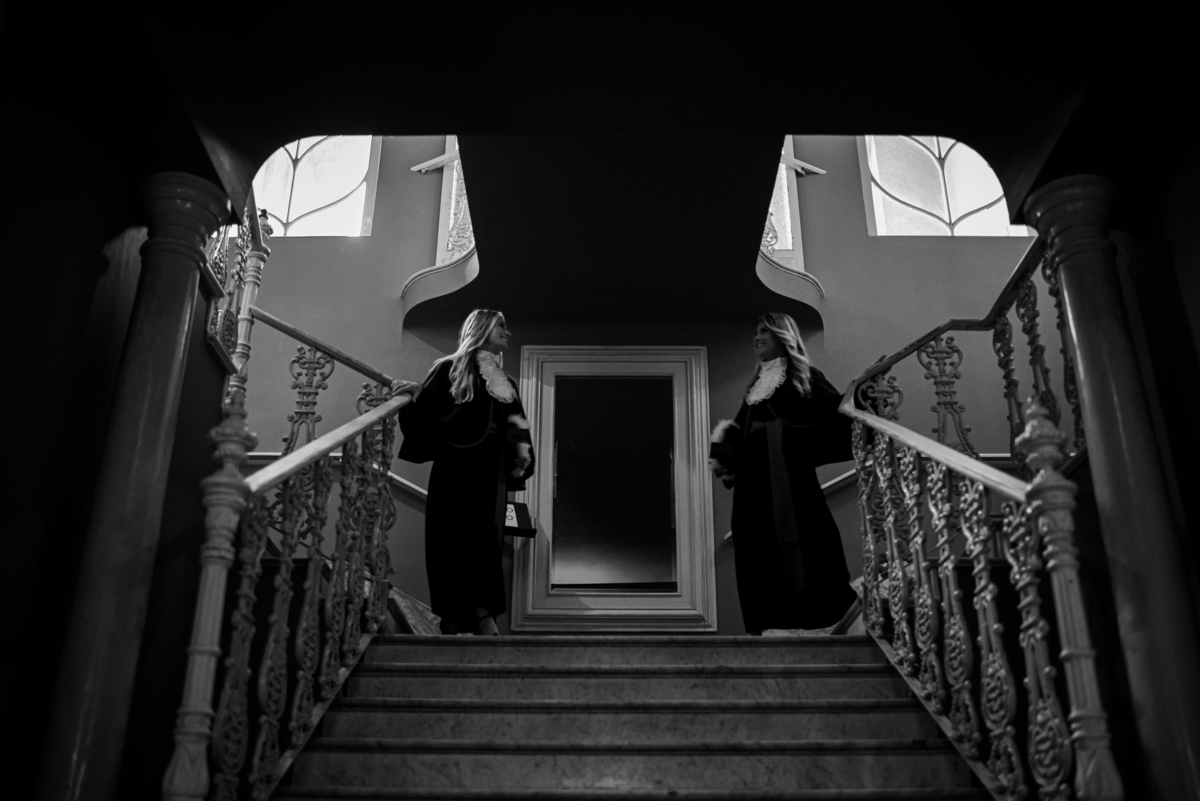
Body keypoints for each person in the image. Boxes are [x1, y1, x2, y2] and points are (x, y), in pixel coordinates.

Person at [709, 312, 858, 635]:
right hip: (753, 480)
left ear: (783, 336)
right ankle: (767, 618)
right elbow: (738, 430)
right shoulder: (756, 386)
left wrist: (863, 397)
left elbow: (834, 412)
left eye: (765, 331)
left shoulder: (806, 377)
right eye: (756, 332)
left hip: (788, 475)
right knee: (752, 539)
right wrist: (721, 455)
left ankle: (811, 614)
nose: (757, 337)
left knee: (804, 534)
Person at [395, 309, 534, 635]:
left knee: (484, 540)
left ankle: (483, 616)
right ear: (482, 328)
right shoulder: (448, 369)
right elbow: (430, 415)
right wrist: (416, 396)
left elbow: (516, 426)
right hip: (454, 470)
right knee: (449, 541)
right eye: (501, 325)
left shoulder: (505, 382)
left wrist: (521, 460)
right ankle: (457, 618)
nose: (508, 332)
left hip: (490, 474)